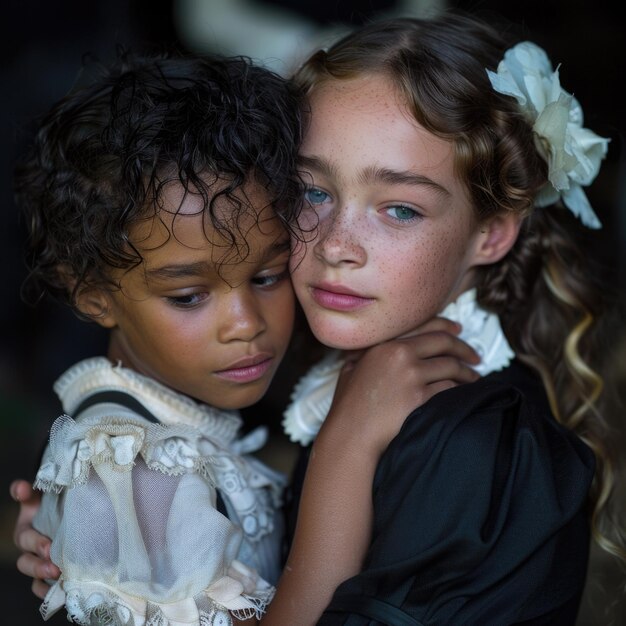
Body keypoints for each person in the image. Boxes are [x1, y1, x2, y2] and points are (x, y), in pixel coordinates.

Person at [9, 43, 479, 626]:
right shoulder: (134, 471)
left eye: (268, 275)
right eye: (188, 296)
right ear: (91, 292)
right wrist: (346, 451)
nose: (246, 323)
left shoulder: (167, 438)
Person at [259, 11, 626, 625]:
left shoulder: (473, 450)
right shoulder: (373, 386)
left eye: (400, 209)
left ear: (492, 233)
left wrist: (344, 451)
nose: (334, 245)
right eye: (312, 192)